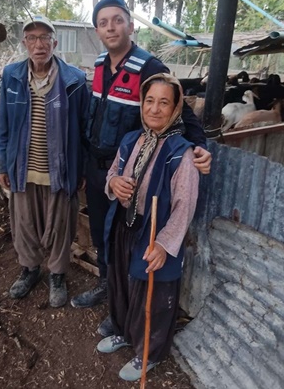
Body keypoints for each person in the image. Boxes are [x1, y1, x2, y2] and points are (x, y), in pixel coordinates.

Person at [70, 0, 211, 317]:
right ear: (97, 30)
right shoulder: (99, 66)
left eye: (117, 20)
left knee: (125, 239)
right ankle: (107, 285)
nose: (111, 27)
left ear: (130, 26)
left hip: (130, 177)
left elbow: (181, 112)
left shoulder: (149, 67)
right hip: (98, 171)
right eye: (104, 22)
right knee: (100, 234)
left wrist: (201, 145)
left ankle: (125, 302)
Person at [96, 73, 199, 381]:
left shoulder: (183, 153)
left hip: (154, 236)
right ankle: (124, 333)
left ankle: (148, 354)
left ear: (176, 107)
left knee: (150, 297)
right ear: (141, 104)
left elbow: (185, 206)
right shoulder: (131, 140)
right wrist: (114, 182)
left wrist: (165, 245)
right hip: (126, 229)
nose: (154, 109)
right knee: (122, 286)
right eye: (149, 101)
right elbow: (112, 174)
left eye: (164, 102)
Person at [0, 14, 89, 308]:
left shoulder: (74, 79)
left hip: (59, 171)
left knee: (60, 226)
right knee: (24, 225)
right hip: (23, 169)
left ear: (54, 43)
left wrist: (81, 168)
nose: (39, 44)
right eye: (33, 38)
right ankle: (30, 270)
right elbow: (3, 126)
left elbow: (84, 128)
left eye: (45, 38)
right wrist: (2, 165)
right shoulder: (11, 76)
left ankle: (58, 275)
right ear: (25, 43)